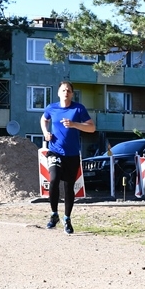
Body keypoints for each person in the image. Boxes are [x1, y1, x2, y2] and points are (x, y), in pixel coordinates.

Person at [41, 81, 95, 233]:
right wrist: (45, 132)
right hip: (54, 151)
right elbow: (44, 119)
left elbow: (92, 128)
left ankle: (67, 219)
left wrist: (74, 124)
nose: (66, 92)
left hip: (72, 154)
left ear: (72, 94)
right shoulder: (51, 108)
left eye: (69, 90)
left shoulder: (78, 109)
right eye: (63, 90)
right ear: (58, 92)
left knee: (69, 186)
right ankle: (53, 214)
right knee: (54, 178)